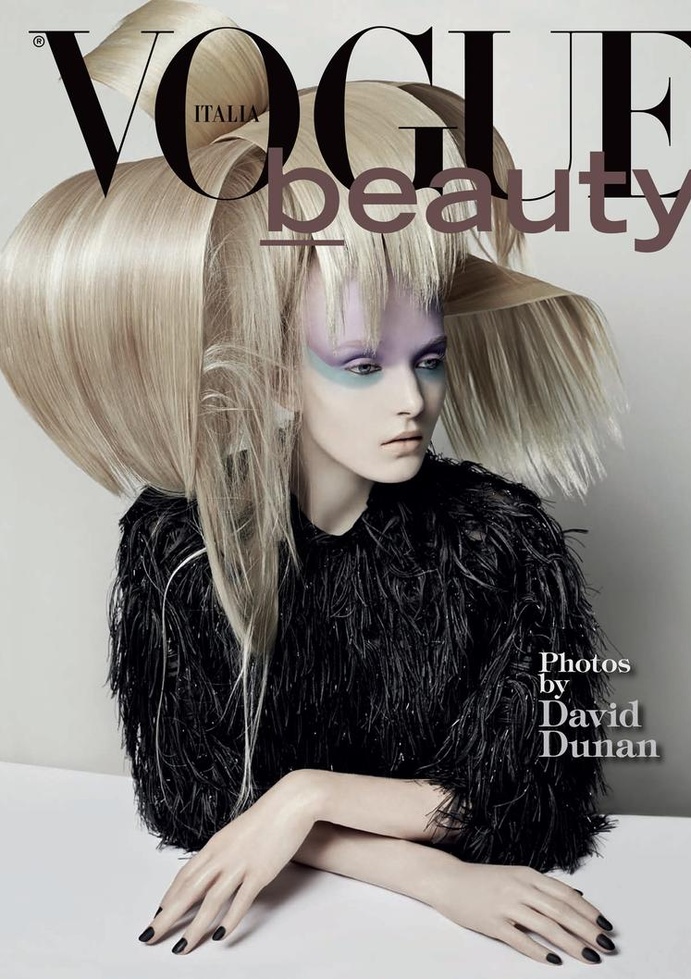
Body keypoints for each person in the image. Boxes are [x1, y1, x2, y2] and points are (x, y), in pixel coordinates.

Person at [0, 0, 625, 966]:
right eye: (362, 364)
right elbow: (192, 796)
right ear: (275, 379)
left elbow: (537, 792)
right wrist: (420, 869)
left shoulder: (500, 544)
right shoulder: (178, 545)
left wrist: (304, 797)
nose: (413, 398)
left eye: (428, 357)